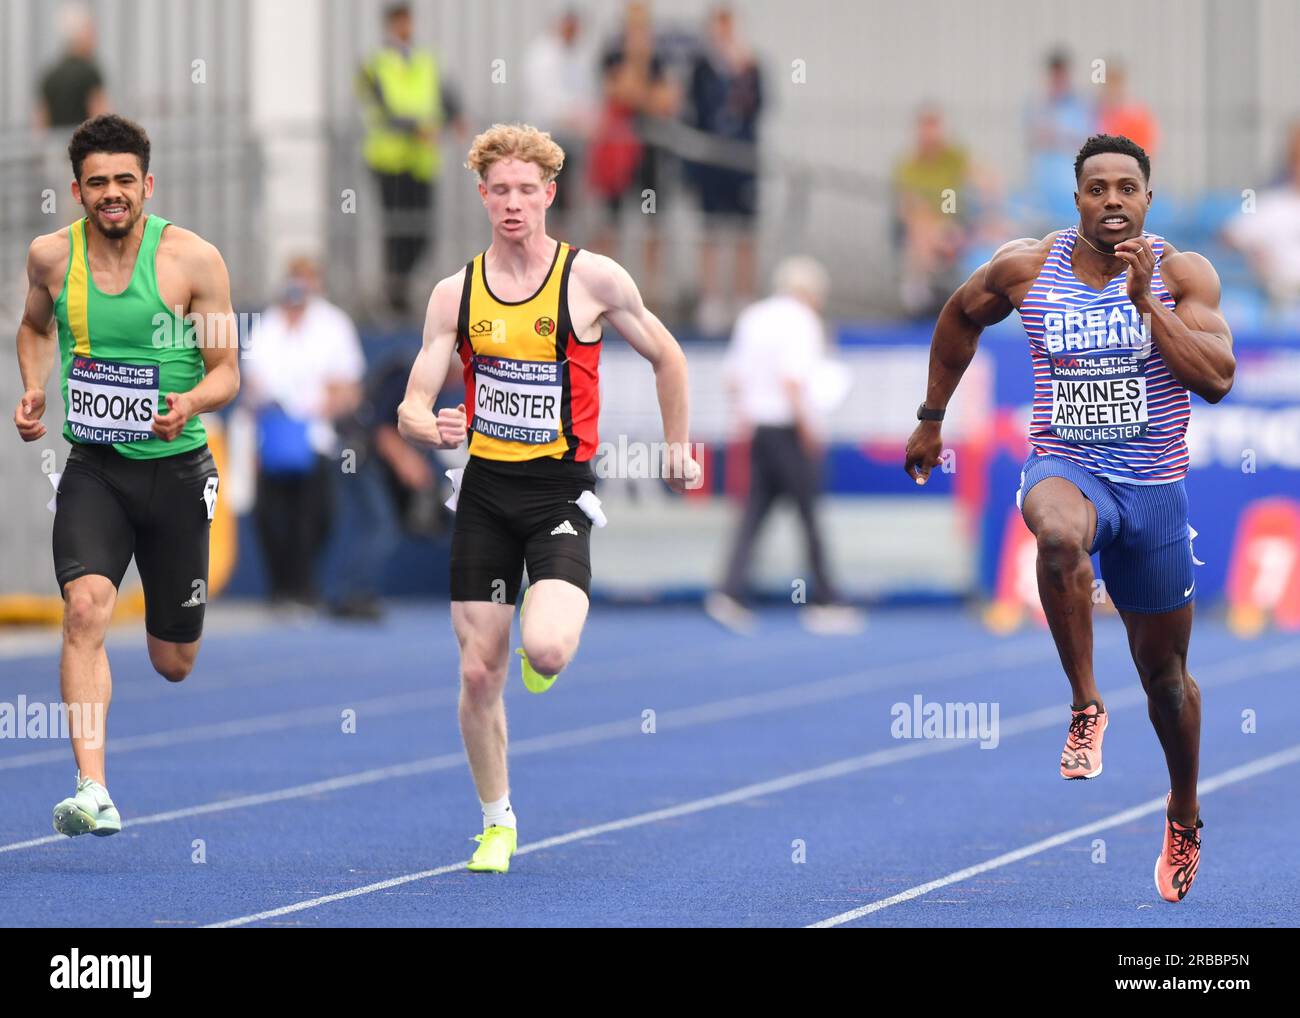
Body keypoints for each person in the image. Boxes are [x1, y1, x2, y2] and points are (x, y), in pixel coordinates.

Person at [904, 135, 1235, 903]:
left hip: (1153, 491)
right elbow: (959, 317)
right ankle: (1085, 703)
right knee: (1055, 538)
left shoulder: (1185, 275)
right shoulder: (1028, 268)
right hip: (1069, 468)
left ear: (1148, 201)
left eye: (1127, 188)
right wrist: (930, 418)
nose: (1112, 200)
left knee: (1168, 680)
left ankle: (1183, 810)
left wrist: (1147, 301)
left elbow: (1216, 379)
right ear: (1077, 198)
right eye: (1097, 188)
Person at [397, 123, 697, 874]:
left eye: (526, 191)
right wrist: (428, 425)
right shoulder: (454, 293)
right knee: (475, 672)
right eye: (498, 190)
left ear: (549, 195)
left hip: (559, 494)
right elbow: (410, 402)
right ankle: (497, 821)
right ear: (482, 196)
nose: (512, 204)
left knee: (548, 647)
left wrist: (677, 444)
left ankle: (541, 649)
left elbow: (668, 355)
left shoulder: (592, 279)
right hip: (485, 493)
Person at [12, 114, 240, 837]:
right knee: (84, 610)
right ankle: (92, 787)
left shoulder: (193, 261)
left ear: (148, 184)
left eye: (125, 181)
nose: (113, 194)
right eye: (98, 182)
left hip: (176, 472)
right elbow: (35, 326)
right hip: (95, 469)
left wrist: (190, 404)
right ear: (76, 190)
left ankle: (168, 646)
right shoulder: (51, 257)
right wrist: (33, 385)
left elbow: (228, 371)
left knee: (174, 660)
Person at [706, 256, 861, 636]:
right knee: (808, 514)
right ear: (810, 293)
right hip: (788, 428)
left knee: (755, 512)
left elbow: (733, 378)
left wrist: (746, 417)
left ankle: (729, 592)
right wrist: (810, 430)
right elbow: (793, 381)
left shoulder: (753, 316)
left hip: (759, 427)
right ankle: (825, 600)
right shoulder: (802, 321)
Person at [242, 256, 365, 607]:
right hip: (273, 438)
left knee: (315, 518)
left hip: (317, 439)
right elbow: (252, 383)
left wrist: (324, 403)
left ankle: (303, 586)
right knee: (269, 517)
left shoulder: (334, 325)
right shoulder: (267, 325)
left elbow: (349, 386)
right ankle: (280, 589)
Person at [357, 2, 464, 316]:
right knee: (396, 229)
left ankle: (399, 290)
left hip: (421, 162)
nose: (407, 27)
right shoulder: (374, 65)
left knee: (421, 231)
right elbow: (380, 111)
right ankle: (394, 296)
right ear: (390, 25)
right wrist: (418, 128)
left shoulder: (425, 59)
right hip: (389, 161)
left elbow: (446, 95)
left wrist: (455, 116)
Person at [684, 5, 763, 334]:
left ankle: (743, 298)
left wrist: (741, 72)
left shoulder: (751, 65)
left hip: (741, 159)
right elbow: (693, 108)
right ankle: (711, 299)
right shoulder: (701, 67)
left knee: (745, 231)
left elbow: (758, 105)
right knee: (712, 229)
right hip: (711, 160)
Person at [35, 4, 109, 130]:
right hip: (84, 146)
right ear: (79, 37)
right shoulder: (89, 73)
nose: (94, 40)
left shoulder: (50, 75)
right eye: (90, 33)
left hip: (55, 147)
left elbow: (40, 123)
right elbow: (100, 118)